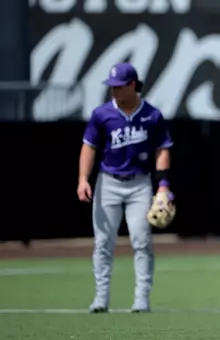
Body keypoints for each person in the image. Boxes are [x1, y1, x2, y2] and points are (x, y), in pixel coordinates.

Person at [77, 62, 174, 313]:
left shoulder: (151, 115)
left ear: (132, 85)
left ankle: (141, 298)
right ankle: (101, 297)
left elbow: (162, 149)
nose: (114, 91)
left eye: (119, 87)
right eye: (111, 87)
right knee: (102, 242)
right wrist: (82, 179)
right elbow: (89, 147)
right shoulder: (102, 114)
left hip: (139, 183)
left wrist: (163, 185)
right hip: (107, 182)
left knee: (141, 241)